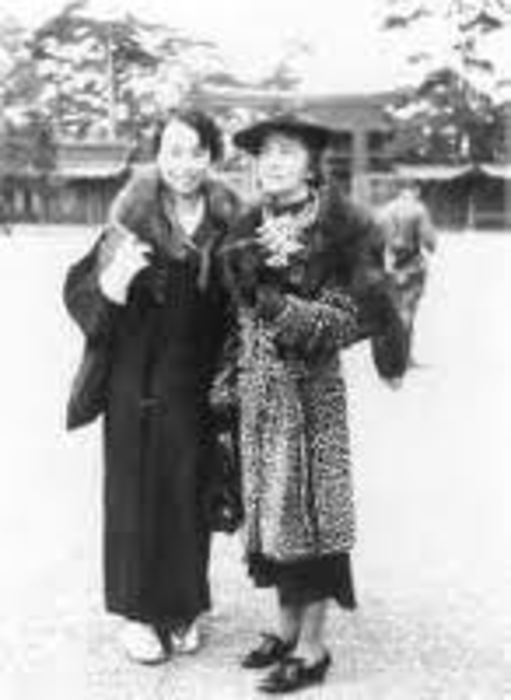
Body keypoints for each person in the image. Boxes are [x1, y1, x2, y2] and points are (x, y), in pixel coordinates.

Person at [221, 114, 407, 694]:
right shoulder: (247, 226)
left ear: (310, 164)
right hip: (257, 398)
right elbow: (235, 319)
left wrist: (277, 305)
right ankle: (284, 628)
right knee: (271, 520)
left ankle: (312, 646)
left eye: (286, 152)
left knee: (312, 521)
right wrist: (227, 379)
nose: (272, 163)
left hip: (310, 402)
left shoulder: (343, 231)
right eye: (264, 154)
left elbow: (351, 320)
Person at [64, 108, 239, 665]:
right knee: (135, 497)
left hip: (194, 384)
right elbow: (81, 296)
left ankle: (184, 608)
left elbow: (241, 309)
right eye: (173, 151)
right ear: (156, 156)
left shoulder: (227, 225)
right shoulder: (131, 219)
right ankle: (138, 616)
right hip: (134, 381)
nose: (184, 164)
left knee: (190, 493)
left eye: (196, 152)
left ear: (213, 156)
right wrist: (114, 284)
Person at [376, 181, 437, 367]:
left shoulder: (384, 211)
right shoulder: (418, 210)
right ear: (415, 190)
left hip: (388, 268)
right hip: (412, 266)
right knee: (407, 312)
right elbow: (430, 242)